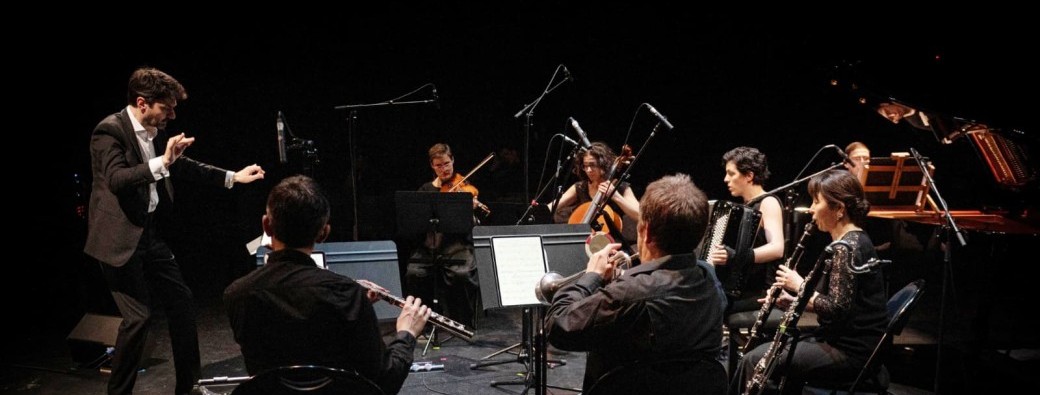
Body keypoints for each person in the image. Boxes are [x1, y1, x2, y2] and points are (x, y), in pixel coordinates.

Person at [83, 67, 265, 395]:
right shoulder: (109, 132)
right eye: (167, 107)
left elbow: (180, 164)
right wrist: (162, 164)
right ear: (142, 103)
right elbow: (117, 179)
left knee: (182, 303)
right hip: (117, 239)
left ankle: (189, 387)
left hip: (147, 235)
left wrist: (232, 177)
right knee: (138, 320)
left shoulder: (151, 131)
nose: (173, 114)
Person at [224, 175, 430, 395]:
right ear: (324, 233)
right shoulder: (346, 294)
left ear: (266, 225)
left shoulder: (237, 293)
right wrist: (407, 333)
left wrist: (348, 301)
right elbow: (385, 382)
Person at [545, 174, 726, 393]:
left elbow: (559, 326)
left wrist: (591, 277)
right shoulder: (710, 278)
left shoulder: (632, 291)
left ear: (646, 232)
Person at [733, 169, 888, 394]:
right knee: (765, 355)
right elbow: (840, 305)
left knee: (754, 360)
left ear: (839, 209)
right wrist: (792, 301)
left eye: (817, 201)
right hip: (845, 342)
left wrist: (800, 286)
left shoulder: (846, 248)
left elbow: (836, 308)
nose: (812, 209)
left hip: (850, 351)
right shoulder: (854, 241)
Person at [406, 143, 481, 329]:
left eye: (447, 163)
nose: (444, 169)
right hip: (430, 246)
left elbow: (474, 227)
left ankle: (461, 324)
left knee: (461, 274)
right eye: (439, 165)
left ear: (453, 160)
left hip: (457, 247)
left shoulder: (464, 189)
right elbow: (417, 223)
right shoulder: (425, 191)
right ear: (432, 166)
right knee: (414, 273)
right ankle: (424, 324)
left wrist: (469, 211)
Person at [708, 147, 786, 312]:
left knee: (705, 306)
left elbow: (777, 248)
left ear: (749, 176)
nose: (725, 179)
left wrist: (735, 256)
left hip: (759, 292)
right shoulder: (743, 209)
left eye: (731, 173)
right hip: (740, 290)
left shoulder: (768, 202)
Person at [551, 142, 641, 245]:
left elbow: (639, 215)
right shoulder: (581, 187)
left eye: (592, 165)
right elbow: (553, 206)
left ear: (603, 164)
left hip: (610, 245)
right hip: (584, 243)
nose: (588, 170)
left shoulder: (621, 187)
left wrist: (616, 196)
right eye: (585, 166)